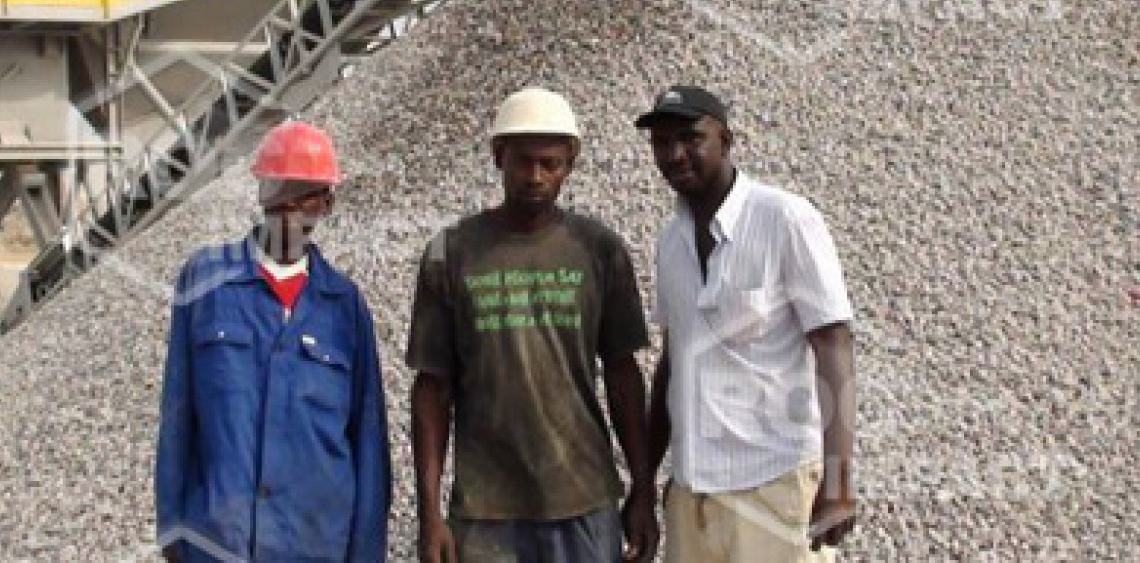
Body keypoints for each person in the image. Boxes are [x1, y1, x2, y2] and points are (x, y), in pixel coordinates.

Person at [407, 87, 658, 563]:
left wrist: (642, 490)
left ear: (571, 164)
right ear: (498, 156)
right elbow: (431, 388)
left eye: (551, 163)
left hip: (584, 499)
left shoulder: (599, 251)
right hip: (487, 509)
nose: (536, 177)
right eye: (523, 161)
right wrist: (430, 515)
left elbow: (624, 375)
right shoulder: (450, 252)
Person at [638, 85, 856, 562]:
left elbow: (833, 344)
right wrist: (643, 484)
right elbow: (672, 363)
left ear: (726, 139)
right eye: (661, 142)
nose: (674, 154)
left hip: (773, 483)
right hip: (692, 489)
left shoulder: (785, 220)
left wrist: (838, 482)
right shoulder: (670, 242)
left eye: (691, 138)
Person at [155, 120, 391, 562]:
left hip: (316, 543)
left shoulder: (343, 306)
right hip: (221, 542)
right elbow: (178, 409)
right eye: (281, 191)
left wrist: (366, 553)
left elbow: (368, 437)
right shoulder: (207, 284)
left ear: (326, 204)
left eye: (306, 195)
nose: (291, 208)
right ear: (262, 192)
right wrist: (171, 526)